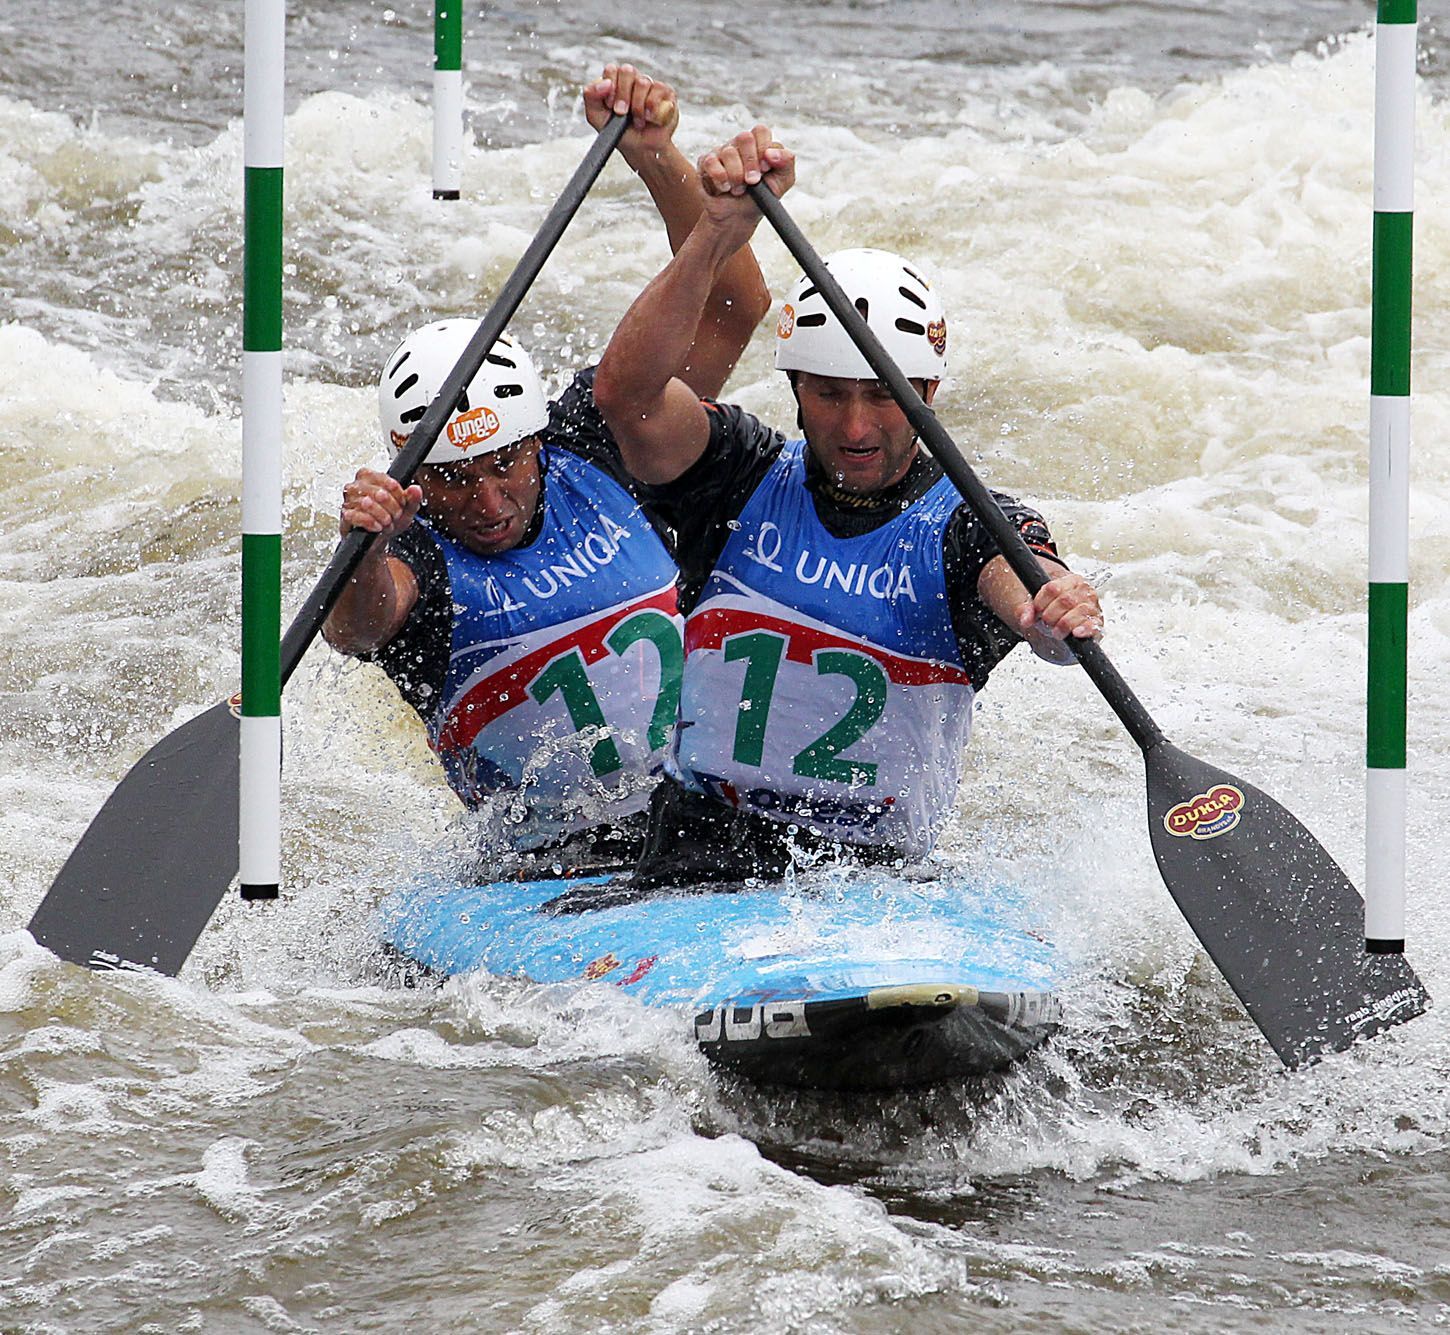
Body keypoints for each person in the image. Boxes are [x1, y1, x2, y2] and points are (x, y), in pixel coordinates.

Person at [590, 126, 1104, 885]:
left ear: (927, 394)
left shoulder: (967, 523)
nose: (857, 428)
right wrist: (715, 235)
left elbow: (1025, 587)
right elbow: (626, 400)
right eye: (829, 395)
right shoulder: (736, 475)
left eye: (882, 398)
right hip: (696, 860)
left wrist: (1050, 607)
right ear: (796, 388)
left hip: (873, 885)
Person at [323, 67, 771, 866]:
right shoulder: (417, 548)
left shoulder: (591, 442)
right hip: (545, 863)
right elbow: (356, 626)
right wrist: (364, 546)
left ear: (535, 438)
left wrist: (655, 157)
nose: (490, 499)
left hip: (699, 819)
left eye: (508, 464)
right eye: (458, 478)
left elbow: (737, 307)